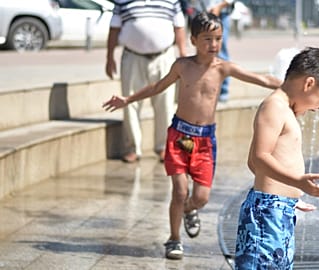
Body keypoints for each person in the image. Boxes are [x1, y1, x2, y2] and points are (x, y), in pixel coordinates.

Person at [102, 12, 282, 260]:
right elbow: (157, 87)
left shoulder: (223, 68)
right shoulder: (182, 66)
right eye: (207, 39)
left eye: (218, 38)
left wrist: (289, 86)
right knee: (179, 190)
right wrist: (128, 99)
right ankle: (174, 239)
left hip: (205, 141)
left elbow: (261, 78)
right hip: (179, 137)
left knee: (201, 197)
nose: (214, 45)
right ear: (194, 39)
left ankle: (188, 210)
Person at [234, 47, 319, 269]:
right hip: (267, 212)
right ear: (309, 84)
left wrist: (289, 194)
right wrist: (296, 183)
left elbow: (253, 163)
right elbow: (259, 158)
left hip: (278, 208)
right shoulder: (274, 107)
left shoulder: (286, 111)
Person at [105, 0, 188, 163]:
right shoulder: (122, 1)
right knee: (129, 102)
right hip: (132, 56)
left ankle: (163, 147)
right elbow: (114, 29)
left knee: (165, 103)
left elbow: (179, 26)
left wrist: (183, 52)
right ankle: (133, 148)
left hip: (164, 56)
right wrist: (109, 57)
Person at [192, 0, 235, 102]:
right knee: (202, 51)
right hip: (201, 11)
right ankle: (201, 87)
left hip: (221, 13)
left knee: (220, 50)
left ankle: (223, 90)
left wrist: (219, 7)